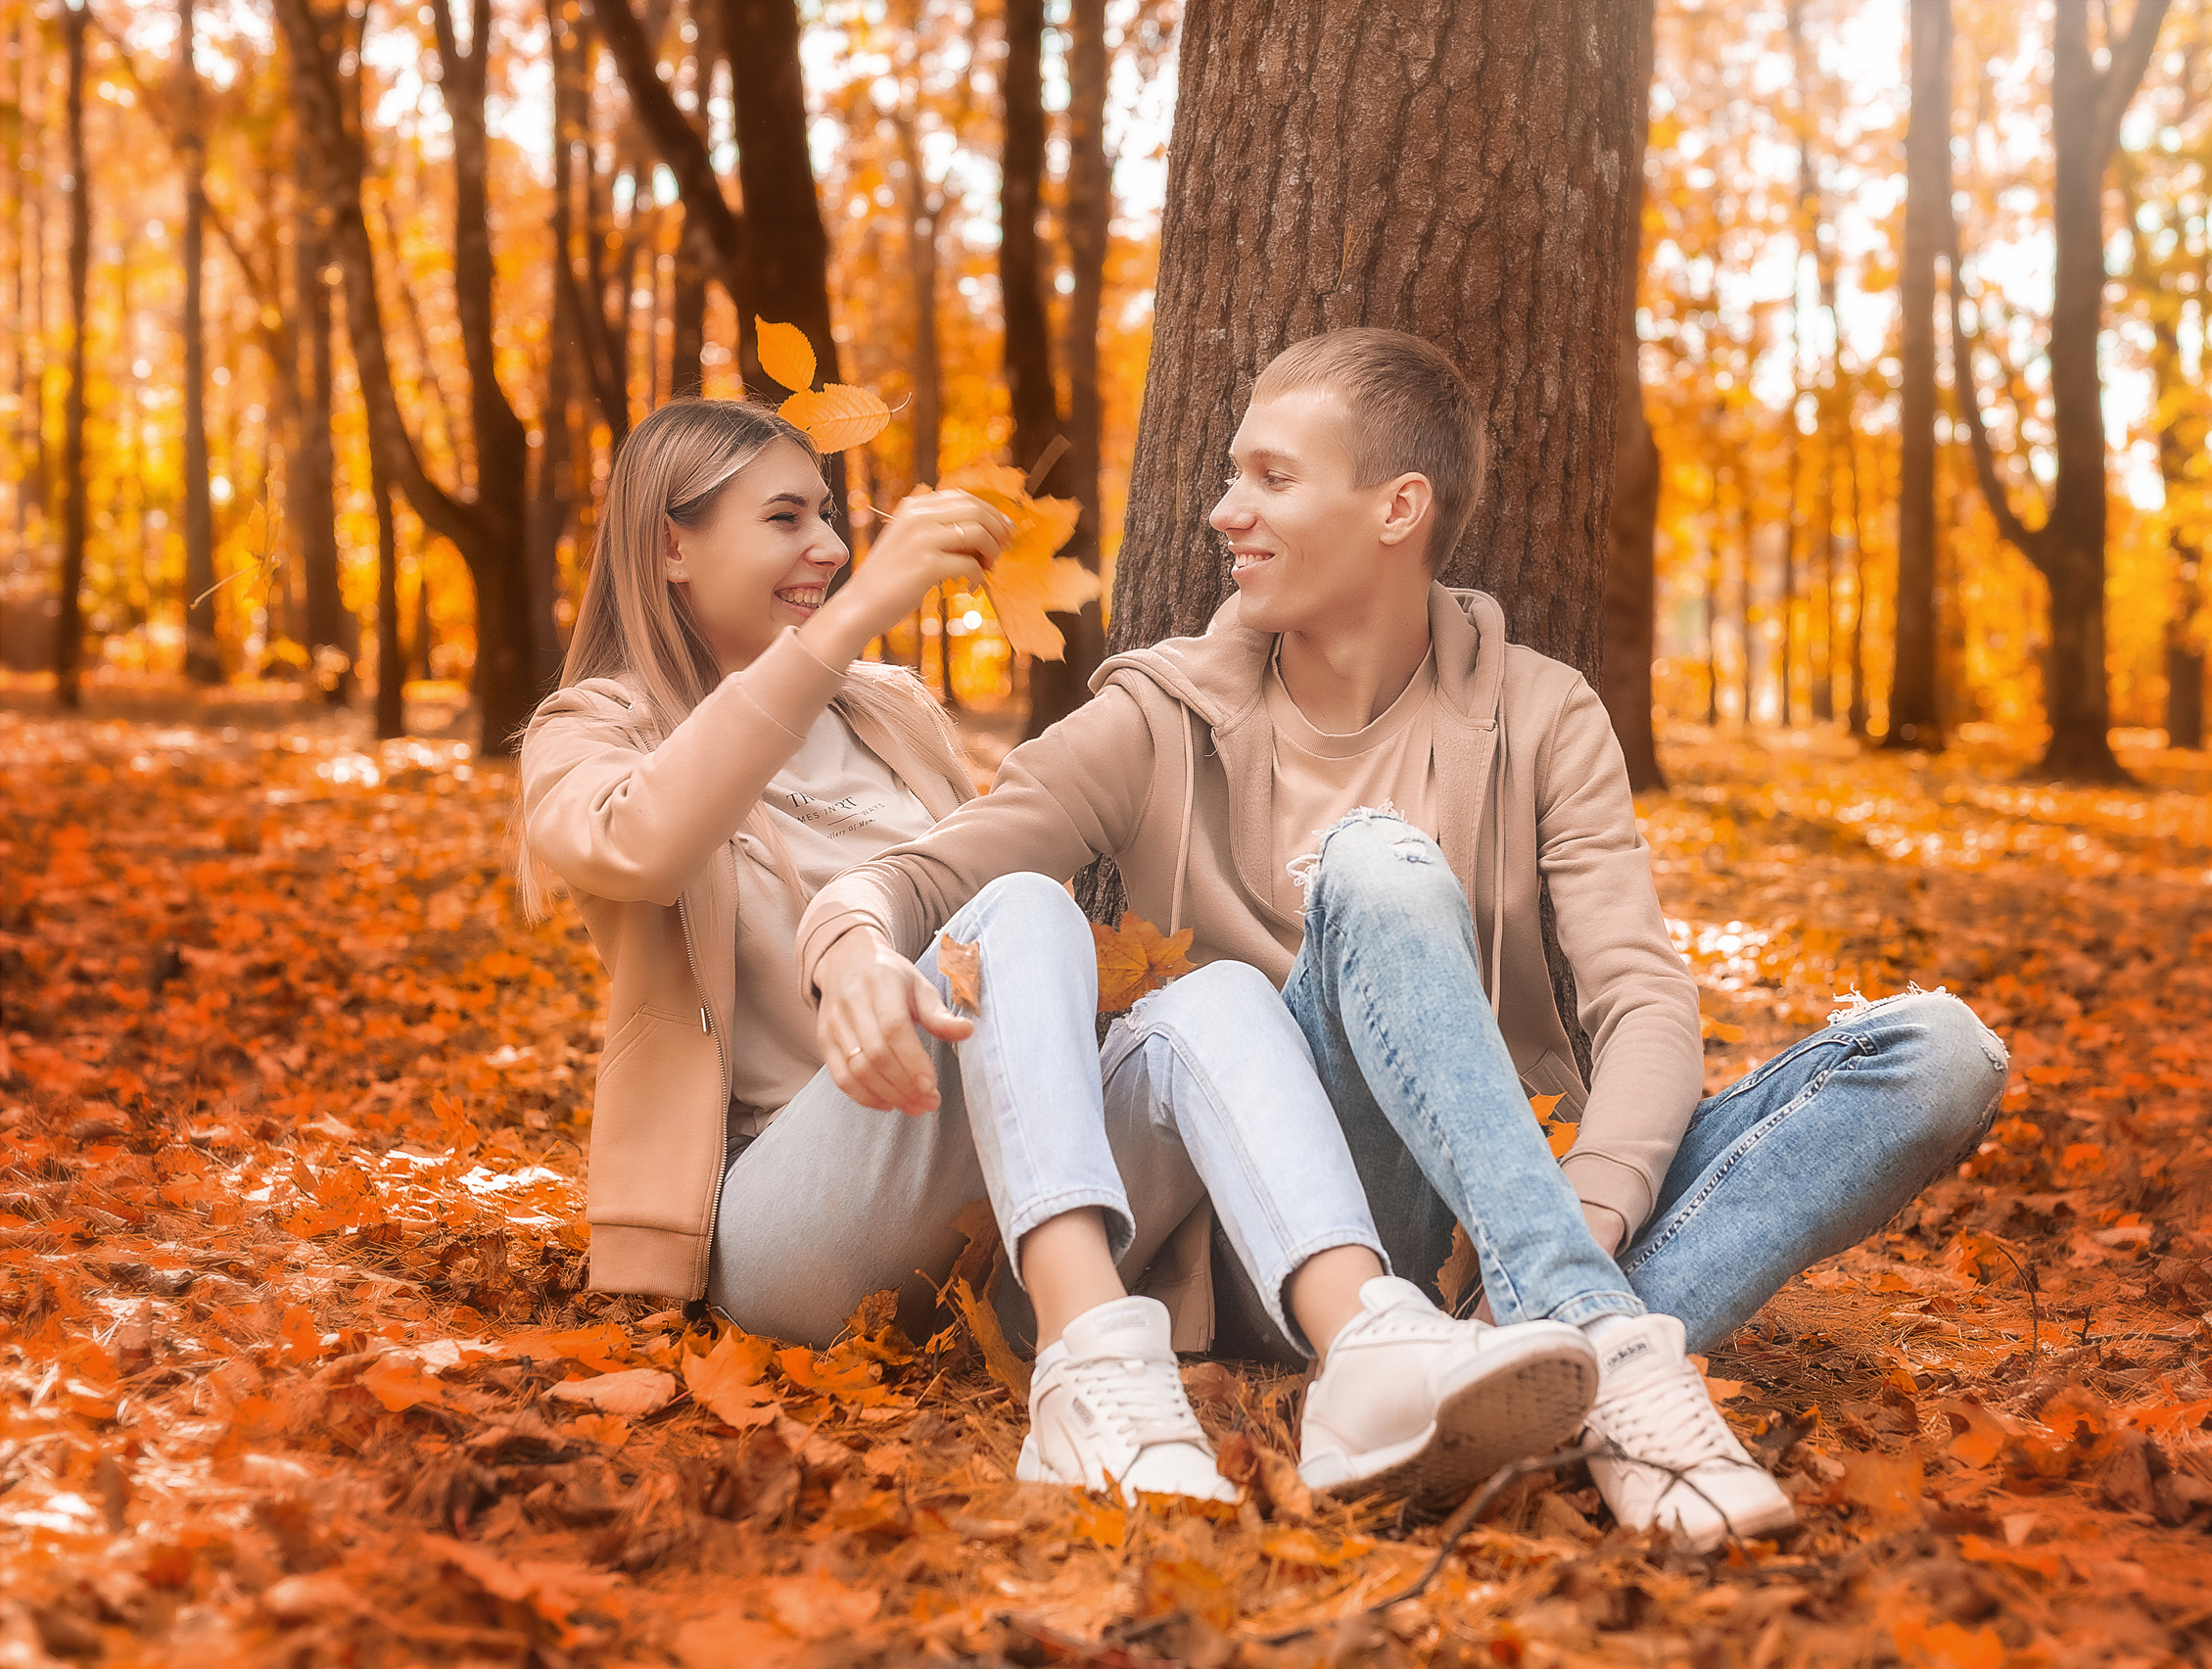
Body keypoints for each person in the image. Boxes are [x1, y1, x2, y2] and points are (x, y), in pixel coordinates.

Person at [801, 330, 2011, 1548]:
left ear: (1399, 507)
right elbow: (933, 874)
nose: (1226, 512)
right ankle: (1603, 1352)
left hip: (1492, 1215)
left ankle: (1516, 1360)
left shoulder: (1542, 712)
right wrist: (849, 938)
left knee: (1937, 1055)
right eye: (1231, 476)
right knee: (1376, 864)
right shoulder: (1156, 715)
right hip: (1291, 1244)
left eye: (1272, 479)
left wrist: (1573, 1218)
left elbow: (1639, 1000)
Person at [516, 398, 1603, 1509]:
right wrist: (857, 619)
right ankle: (1091, 1366)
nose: (833, 548)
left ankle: (1370, 1353)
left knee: (1217, 992)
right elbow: (640, 846)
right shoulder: (595, 732)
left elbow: (968, 911)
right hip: (796, 1226)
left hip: (1005, 1222)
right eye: (786, 518)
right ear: (669, 544)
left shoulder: (887, 712)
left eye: (831, 517)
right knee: (1024, 910)